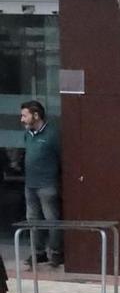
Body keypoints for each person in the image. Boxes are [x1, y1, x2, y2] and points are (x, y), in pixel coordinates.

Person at [20, 99, 60, 267]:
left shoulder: (52, 134)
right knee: (33, 219)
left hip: (47, 183)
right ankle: (38, 252)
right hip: (30, 184)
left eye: (24, 115)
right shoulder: (27, 134)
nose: (22, 119)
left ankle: (56, 252)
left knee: (51, 218)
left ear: (36, 115)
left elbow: (61, 156)